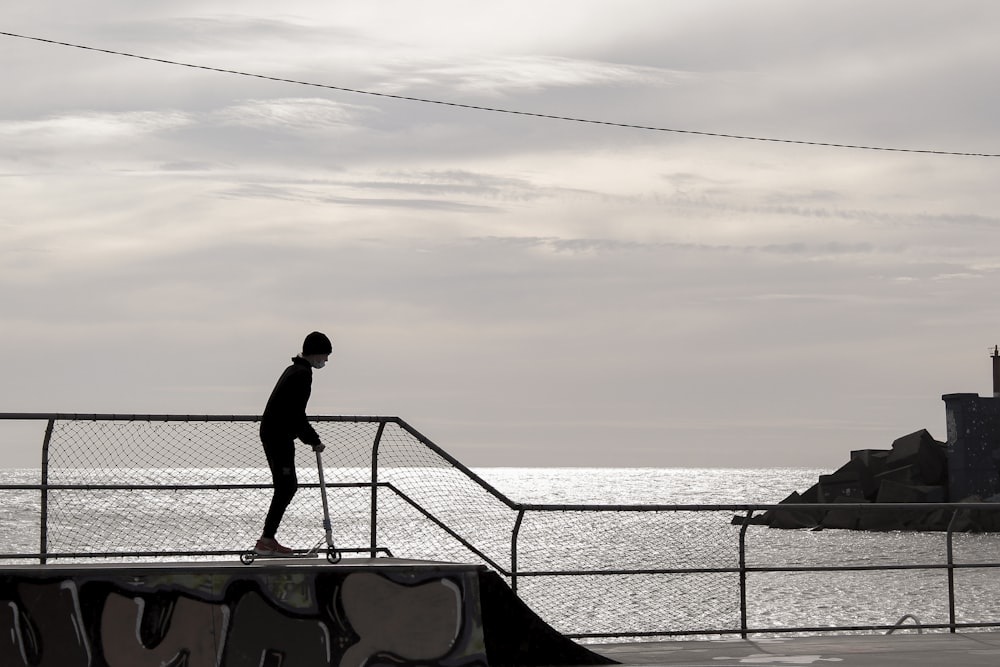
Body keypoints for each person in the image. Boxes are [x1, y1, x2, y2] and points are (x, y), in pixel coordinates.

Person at [255, 331, 332, 555]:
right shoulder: (301, 374)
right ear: (316, 353)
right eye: (325, 356)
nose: (325, 361)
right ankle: (266, 540)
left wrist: (308, 437)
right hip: (277, 435)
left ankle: (267, 539)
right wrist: (313, 440)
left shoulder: (295, 370)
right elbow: (296, 413)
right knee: (287, 486)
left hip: (276, 433)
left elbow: (293, 413)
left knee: (286, 486)